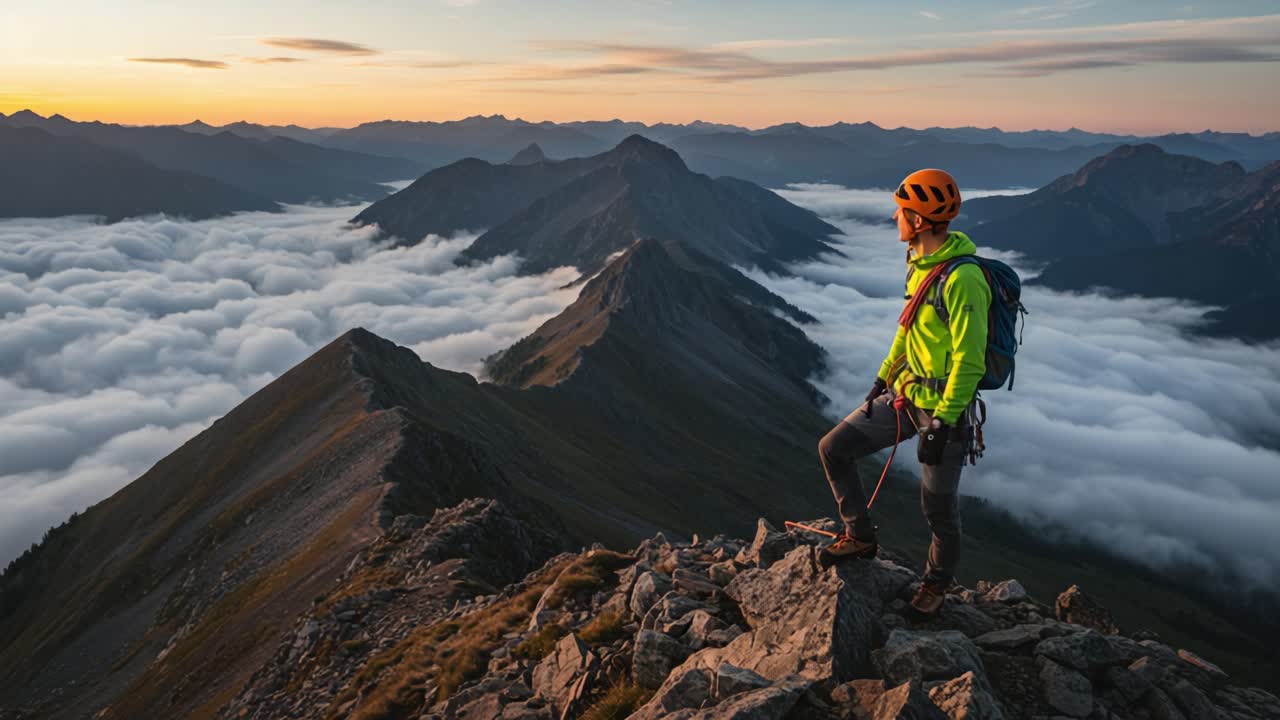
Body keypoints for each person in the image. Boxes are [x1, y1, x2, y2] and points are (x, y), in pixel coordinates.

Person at [816, 168, 991, 614]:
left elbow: (970, 362)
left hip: (944, 413)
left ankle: (935, 585)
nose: (895, 215)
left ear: (918, 221)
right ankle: (859, 535)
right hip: (904, 397)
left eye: (902, 210)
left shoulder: (962, 279)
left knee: (938, 509)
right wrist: (881, 378)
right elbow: (906, 329)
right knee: (834, 448)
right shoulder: (919, 263)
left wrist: (945, 421)